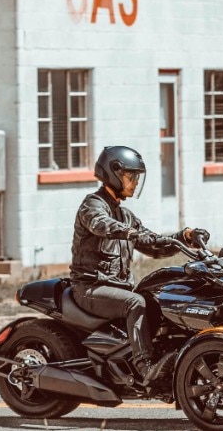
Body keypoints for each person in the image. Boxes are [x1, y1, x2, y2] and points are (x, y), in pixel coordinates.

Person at [69, 145, 208, 385]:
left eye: (136, 177)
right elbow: (101, 225)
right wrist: (131, 234)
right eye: (130, 176)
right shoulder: (92, 205)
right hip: (90, 287)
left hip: (117, 287)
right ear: (113, 174)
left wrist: (183, 237)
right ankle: (144, 367)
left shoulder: (126, 216)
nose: (134, 182)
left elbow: (155, 245)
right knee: (136, 302)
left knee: (159, 298)